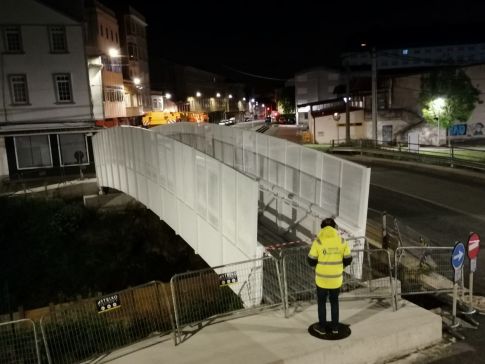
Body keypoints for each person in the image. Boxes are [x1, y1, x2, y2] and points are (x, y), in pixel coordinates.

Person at [307, 217, 352, 335]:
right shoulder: (342, 241)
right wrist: (340, 267)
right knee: (334, 302)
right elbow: (348, 259)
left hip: (321, 279)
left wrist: (318, 266)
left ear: (322, 228)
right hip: (336, 279)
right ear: (335, 228)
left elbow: (311, 260)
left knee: (321, 303)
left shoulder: (318, 242)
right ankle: (335, 327)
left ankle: (321, 327)